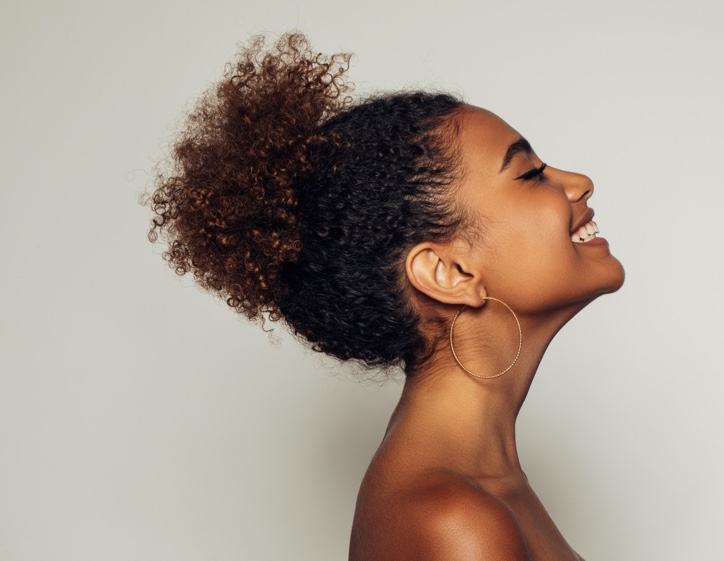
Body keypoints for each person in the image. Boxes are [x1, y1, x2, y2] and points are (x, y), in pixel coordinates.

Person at [148, 32, 624, 561]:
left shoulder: (482, 487)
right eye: (531, 174)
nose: (579, 182)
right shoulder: (454, 521)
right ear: (447, 271)